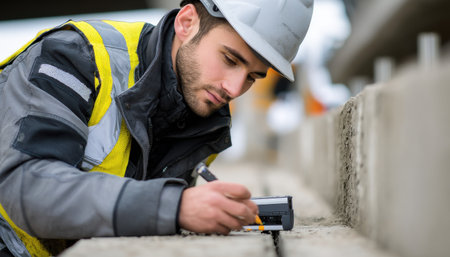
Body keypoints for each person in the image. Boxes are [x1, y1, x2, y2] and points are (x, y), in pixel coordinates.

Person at [0, 0, 313, 256]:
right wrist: (174, 206)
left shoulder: (199, 115)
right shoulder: (74, 56)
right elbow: (25, 186)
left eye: (252, 77)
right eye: (230, 60)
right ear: (187, 22)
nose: (233, 88)